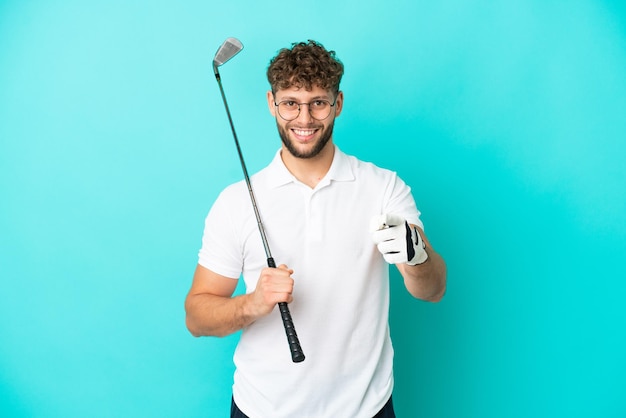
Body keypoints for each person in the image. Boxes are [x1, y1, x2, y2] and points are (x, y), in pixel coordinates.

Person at [185, 40, 447, 418]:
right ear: (271, 103)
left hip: (365, 409)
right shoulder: (237, 201)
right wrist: (254, 303)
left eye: (318, 103)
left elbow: (433, 290)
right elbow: (196, 316)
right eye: (291, 102)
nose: (304, 119)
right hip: (262, 409)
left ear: (337, 104)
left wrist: (417, 254)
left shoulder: (383, 187)